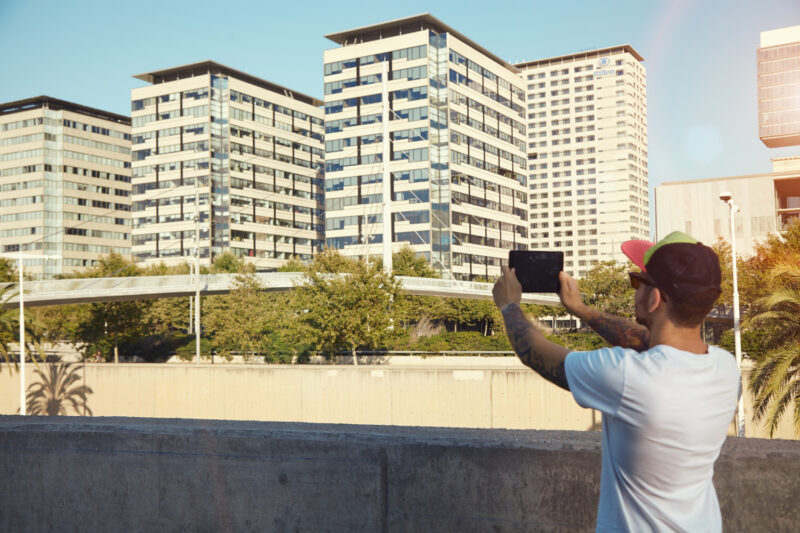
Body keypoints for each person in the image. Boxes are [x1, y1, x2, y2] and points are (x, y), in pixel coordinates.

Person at [492, 231, 741, 532]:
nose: (635, 289)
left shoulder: (628, 377)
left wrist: (509, 306)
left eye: (638, 282)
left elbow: (534, 352)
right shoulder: (726, 369)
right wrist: (580, 309)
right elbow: (647, 342)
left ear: (655, 298)